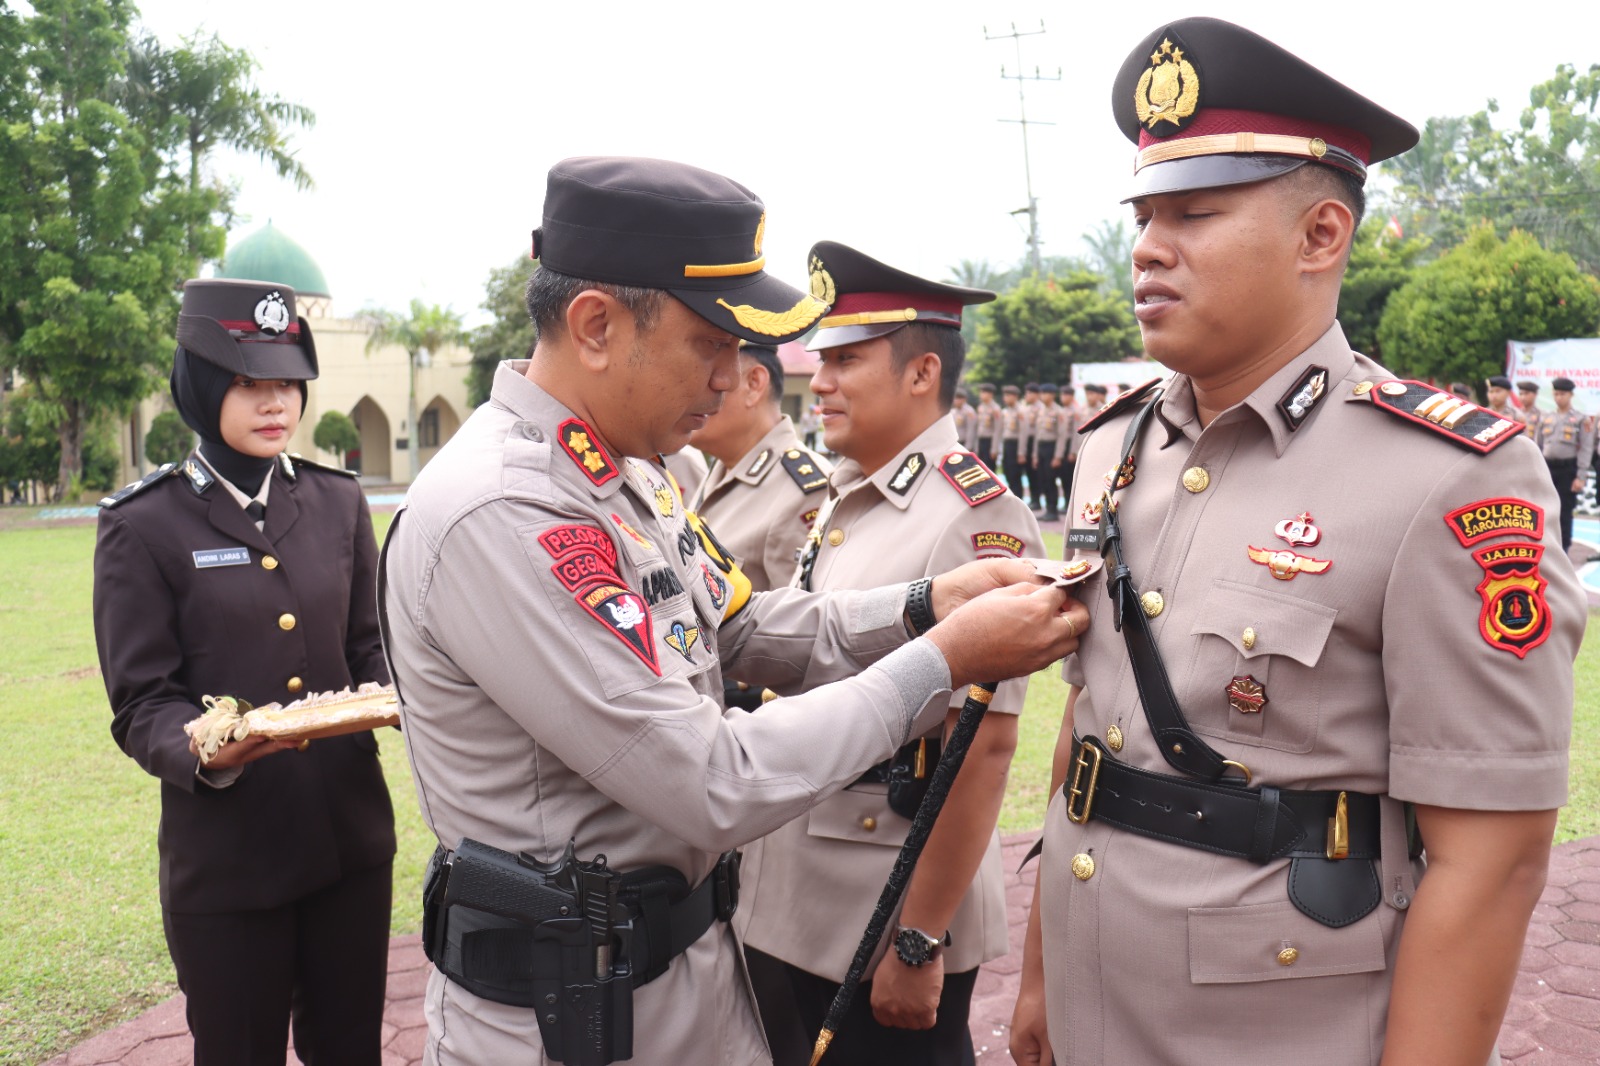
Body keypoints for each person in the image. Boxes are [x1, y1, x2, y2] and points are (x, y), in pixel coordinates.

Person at [377, 156, 1085, 1066]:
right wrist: (943, 656)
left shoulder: (630, 472)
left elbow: (744, 630)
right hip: (568, 1020)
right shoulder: (505, 511)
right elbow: (710, 779)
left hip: (685, 979)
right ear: (596, 325)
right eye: (712, 343)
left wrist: (924, 604)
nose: (737, 377)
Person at [1010, 17, 1582, 1066]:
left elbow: (1489, 858)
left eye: (1194, 213)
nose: (1146, 246)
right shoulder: (1112, 449)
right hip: (1099, 990)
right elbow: (1091, 735)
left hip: (1278, 1028)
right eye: (1142, 214)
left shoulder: (1446, 478)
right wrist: (1043, 971)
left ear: (1321, 235)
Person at [736, 241, 1041, 1066]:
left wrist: (917, 938)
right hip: (795, 886)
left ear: (920, 373)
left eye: (845, 359)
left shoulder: (972, 516)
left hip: (883, 909)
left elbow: (984, 746)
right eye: (819, 359)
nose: (820, 380)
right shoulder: (851, 492)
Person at [93, 279, 397, 1066]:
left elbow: (369, 649)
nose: (276, 404)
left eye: (287, 383)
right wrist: (212, 749)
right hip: (229, 862)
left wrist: (398, 697)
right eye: (249, 382)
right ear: (201, 386)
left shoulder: (336, 503)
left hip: (347, 844)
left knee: (350, 1052)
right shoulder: (142, 524)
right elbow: (142, 702)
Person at [687, 342, 831, 592]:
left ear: (754, 384)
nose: (683, 392)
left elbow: (799, 622)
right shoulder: (723, 466)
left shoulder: (805, 492)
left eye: (703, 376)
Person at [1536, 376, 1593, 551]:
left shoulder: (1580, 419)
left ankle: (1564, 549)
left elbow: (1585, 448)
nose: (1558, 397)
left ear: (1570, 395)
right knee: (1543, 509)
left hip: (1567, 470)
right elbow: (1537, 445)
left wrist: (1581, 476)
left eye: (1562, 394)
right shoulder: (1546, 417)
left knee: (1564, 512)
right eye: (1556, 394)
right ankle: (1545, 548)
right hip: (1547, 468)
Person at [1029, 384, 1065, 521]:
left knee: (1051, 480)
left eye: (1046, 393)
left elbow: (1061, 436)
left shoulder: (1058, 412)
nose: (1043, 396)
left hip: (1052, 448)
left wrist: (1058, 456)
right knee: (1042, 480)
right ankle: (1047, 510)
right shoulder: (1041, 411)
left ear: (1052, 395)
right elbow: (1037, 435)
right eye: (1042, 393)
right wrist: (1034, 455)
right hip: (1041, 448)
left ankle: (1052, 510)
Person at [1000, 384, 1028, 500]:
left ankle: (1018, 499)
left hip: (1015, 445)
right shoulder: (1005, 411)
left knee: (1015, 475)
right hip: (1007, 445)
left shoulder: (1021, 411)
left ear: (1015, 396)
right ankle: (1012, 498)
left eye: (1007, 396)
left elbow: (1023, 433)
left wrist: (1021, 452)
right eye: (1004, 395)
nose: (1005, 398)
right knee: (1007, 472)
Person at [973, 382, 1001, 470]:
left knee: (989, 469)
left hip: (990, 442)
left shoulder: (995, 409)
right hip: (981, 441)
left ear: (990, 394)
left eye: (983, 392)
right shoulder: (980, 407)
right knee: (981, 469)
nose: (981, 395)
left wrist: (994, 449)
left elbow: (997, 430)